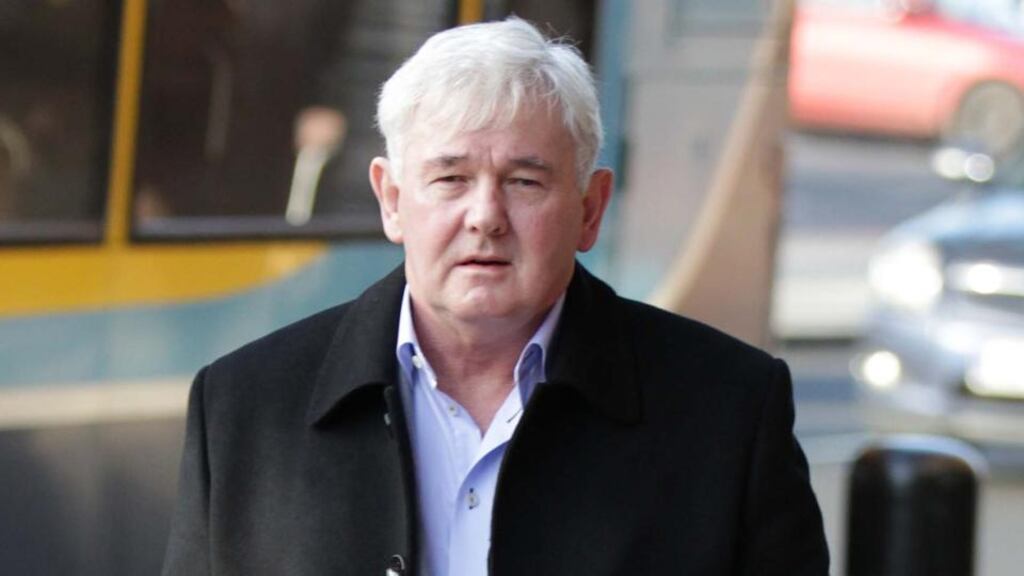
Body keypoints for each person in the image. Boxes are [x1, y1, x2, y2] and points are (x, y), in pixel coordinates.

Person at [162, 17, 829, 576]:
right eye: (450, 179)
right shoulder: (243, 409)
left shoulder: (729, 410)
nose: (485, 217)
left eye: (524, 182)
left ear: (590, 208)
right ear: (391, 200)